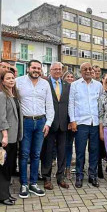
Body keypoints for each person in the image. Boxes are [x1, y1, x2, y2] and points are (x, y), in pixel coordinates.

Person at [16, 60, 54, 198]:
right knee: (24, 154)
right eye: (34, 67)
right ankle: (24, 184)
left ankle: (33, 183)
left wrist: (48, 123)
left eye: (38, 68)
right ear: (28, 68)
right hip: (25, 122)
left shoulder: (45, 84)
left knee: (36, 154)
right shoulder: (18, 81)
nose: (36, 70)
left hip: (40, 122)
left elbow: (49, 105)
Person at [69, 62, 103, 188]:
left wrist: (101, 123)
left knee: (94, 150)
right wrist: (73, 120)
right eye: (85, 69)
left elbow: (101, 104)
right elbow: (71, 104)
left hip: (94, 122)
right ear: (81, 71)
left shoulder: (98, 85)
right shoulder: (75, 85)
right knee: (80, 151)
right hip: (81, 122)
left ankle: (92, 175)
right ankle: (79, 175)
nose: (88, 71)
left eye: (90, 69)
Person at [0, 71, 23, 205]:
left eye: (12, 78)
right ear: (2, 81)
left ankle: (6, 193)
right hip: (4, 138)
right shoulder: (1, 96)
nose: (11, 80)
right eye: (8, 78)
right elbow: (1, 117)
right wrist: (5, 135)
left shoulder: (13, 95)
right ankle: (0, 196)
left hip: (13, 137)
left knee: (8, 167)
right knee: (1, 168)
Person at [40, 62, 70, 190]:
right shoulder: (44, 84)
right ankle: (46, 178)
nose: (58, 71)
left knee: (62, 152)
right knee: (47, 152)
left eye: (60, 69)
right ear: (50, 70)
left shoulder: (67, 85)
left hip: (63, 124)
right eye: (55, 69)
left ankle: (60, 177)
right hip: (49, 123)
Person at [62, 71, 76, 179]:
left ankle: (67, 168)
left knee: (69, 146)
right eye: (68, 76)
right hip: (62, 121)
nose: (70, 78)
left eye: (72, 77)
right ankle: (61, 167)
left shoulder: (76, 89)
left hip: (74, 122)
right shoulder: (62, 89)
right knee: (61, 146)